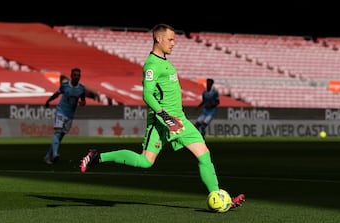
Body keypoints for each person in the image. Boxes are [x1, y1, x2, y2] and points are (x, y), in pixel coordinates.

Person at [79, 24, 245, 208]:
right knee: (145, 162)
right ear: (158, 39)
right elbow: (147, 95)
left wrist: (173, 117)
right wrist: (165, 116)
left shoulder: (165, 62)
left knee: (204, 155)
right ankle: (97, 157)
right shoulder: (152, 65)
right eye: (170, 39)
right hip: (161, 121)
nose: (173, 43)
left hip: (179, 120)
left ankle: (219, 197)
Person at [44, 67, 86, 164]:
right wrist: (48, 101)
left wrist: (82, 103)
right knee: (57, 133)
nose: (77, 77)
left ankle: (47, 157)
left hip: (70, 114)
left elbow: (83, 101)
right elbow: (56, 94)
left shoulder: (81, 88)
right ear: (71, 76)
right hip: (61, 111)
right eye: (75, 75)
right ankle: (54, 154)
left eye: (78, 75)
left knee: (60, 137)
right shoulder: (65, 86)